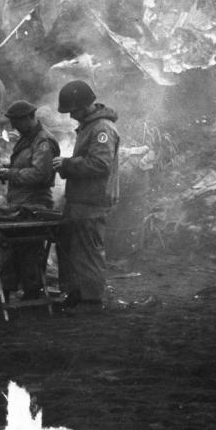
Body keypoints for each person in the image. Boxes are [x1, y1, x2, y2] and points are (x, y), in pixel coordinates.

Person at [52, 80, 120, 307]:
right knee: (78, 249)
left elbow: (100, 164)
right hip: (83, 198)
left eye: (73, 110)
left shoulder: (101, 129)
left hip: (93, 199)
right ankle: (79, 294)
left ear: (85, 105)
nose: (72, 116)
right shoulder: (89, 126)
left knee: (89, 250)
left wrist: (68, 164)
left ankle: (92, 300)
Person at [0, 101, 60, 300]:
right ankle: (7, 290)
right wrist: (6, 167)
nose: (14, 128)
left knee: (27, 249)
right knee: (14, 247)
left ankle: (30, 290)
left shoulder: (43, 141)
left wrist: (9, 173)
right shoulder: (28, 138)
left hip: (35, 205)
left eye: (17, 123)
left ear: (30, 118)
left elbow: (39, 174)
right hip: (20, 203)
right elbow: (26, 165)